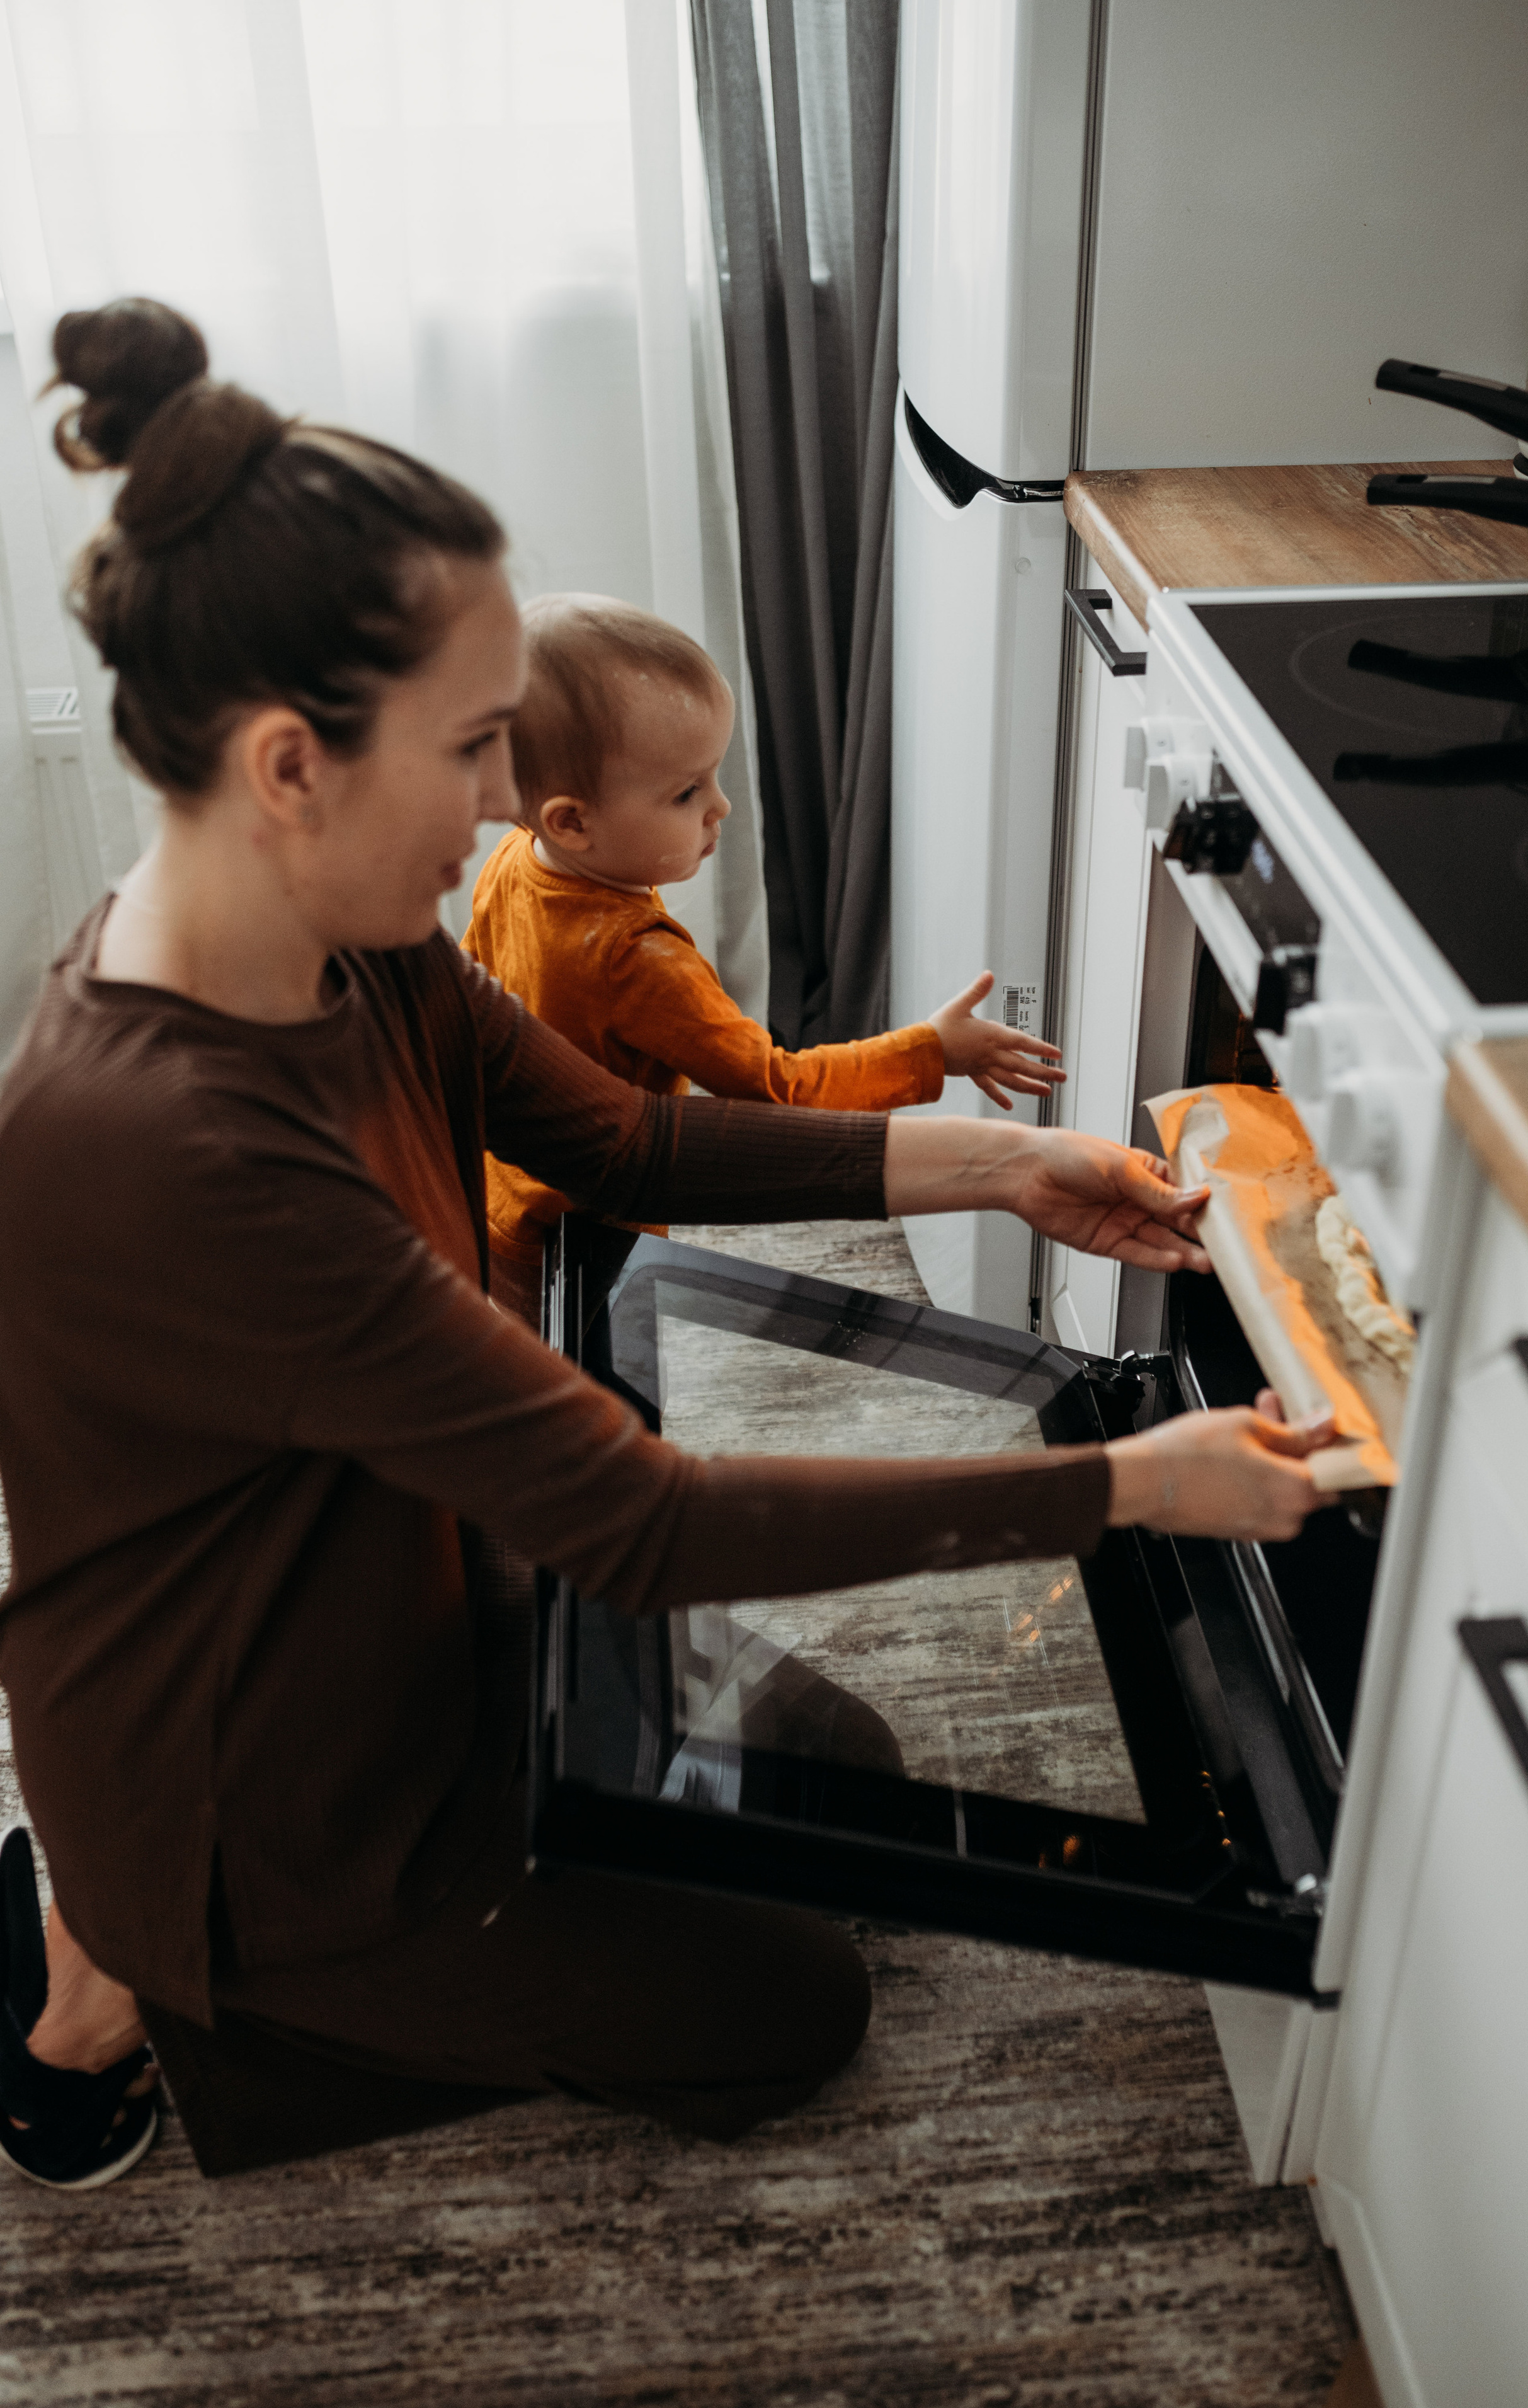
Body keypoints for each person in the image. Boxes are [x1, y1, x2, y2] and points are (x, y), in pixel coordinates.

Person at [0, 298, 1337, 2193]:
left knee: (844, 1795)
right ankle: (119, 1980)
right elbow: (640, 1520)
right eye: (470, 749)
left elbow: (624, 1139)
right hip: (265, 1791)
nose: (497, 806)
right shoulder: (177, 1155)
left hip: (400, 1612)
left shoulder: (350, 944)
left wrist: (998, 1164)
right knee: (789, 2013)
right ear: (291, 764)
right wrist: (1128, 1486)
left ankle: (152, 1922)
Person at [460, 593, 1063, 1322]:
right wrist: (930, 1051)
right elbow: (780, 1092)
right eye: (686, 793)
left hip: (499, 1196)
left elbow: (476, 1004)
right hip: (587, 1231)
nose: (721, 808)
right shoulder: (637, 959)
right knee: (600, 1396)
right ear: (573, 821)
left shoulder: (515, 860)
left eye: (713, 776)